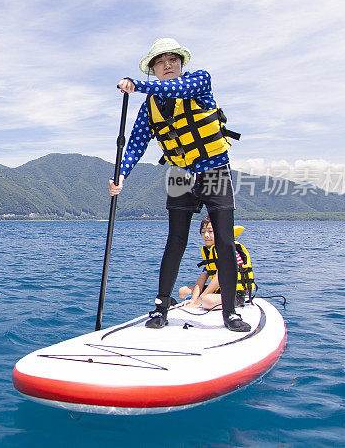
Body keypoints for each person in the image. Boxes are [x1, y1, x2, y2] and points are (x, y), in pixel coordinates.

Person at [109, 37, 251, 332]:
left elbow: (176, 89)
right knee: (176, 241)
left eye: (173, 59)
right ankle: (161, 307)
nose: (167, 65)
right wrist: (122, 174)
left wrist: (137, 85)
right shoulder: (150, 107)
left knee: (224, 240)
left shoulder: (199, 80)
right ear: (153, 68)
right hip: (180, 173)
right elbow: (135, 144)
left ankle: (229, 311)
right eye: (160, 62)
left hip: (214, 169)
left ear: (181, 64)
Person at [178, 215, 255, 311]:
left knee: (207, 300)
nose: (206, 235)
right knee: (182, 291)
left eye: (210, 231)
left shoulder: (228, 251)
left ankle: (234, 303)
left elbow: (219, 278)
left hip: (235, 294)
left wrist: (199, 301)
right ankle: (208, 299)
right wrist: (193, 299)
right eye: (203, 232)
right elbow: (202, 278)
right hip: (219, 291)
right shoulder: (210, 252)